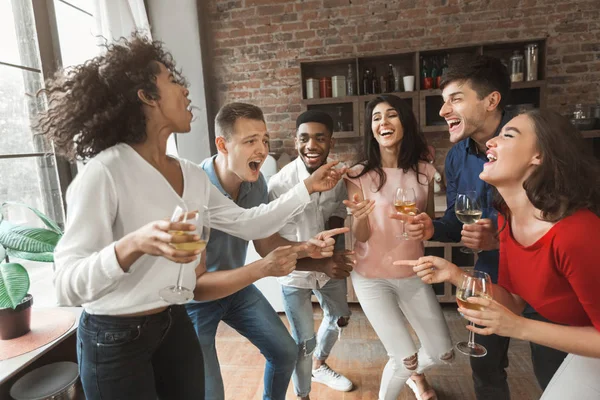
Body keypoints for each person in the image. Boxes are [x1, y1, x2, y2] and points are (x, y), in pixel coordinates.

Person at [38, 34, 343, 400]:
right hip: (113, 336)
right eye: (172, 81)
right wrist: (134, 244)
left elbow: (251, 223)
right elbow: (66, 284)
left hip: (171, 319)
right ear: (147, 96)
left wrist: (308, 187)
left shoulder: (191, 177)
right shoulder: (105, 172)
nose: (185, 91)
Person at [407, 109, 600, 400]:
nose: (491, 143)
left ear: (539, 156)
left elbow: (519, 319)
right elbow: (515, 302)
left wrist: (520, 328)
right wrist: (455, 275)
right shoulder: (507, 217)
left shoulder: (577, 232)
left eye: (507, 135)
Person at [403, 55, 567, 398]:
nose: (443, 110)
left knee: (555, 375)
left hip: (547, 283)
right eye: (443, 101)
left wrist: (501, 238)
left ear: (491, 100)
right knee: (485, 368)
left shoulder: (536, 142)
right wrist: (433, 229)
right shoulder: (456, 156)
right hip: (489, 278)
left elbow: (560, 224)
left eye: (455, 99)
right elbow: (456, 222)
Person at [185, 103, 349, 400]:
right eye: (250, 141)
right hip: (198, 299)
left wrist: (306, 249)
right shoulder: (195, 187)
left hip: (237, 291)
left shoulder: (257, 184)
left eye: (264, 140)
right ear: (222, 144)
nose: (261, 149)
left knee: (286, 352)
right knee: (210, 393)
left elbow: (264, 243)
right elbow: (197, 286)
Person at [343, 95, 453, 400]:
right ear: (371, 129)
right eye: (376, 118)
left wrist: (423, 224)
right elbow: (360, 236)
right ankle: (405, 371)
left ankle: (412, 374)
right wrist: (359, 219)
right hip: (371, 276)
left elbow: (428, 221)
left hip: (413, 271)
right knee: (405, 358)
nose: (383, 123)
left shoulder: (424, 172)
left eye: (391, 115)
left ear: (404, 122)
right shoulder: (357, 175)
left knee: (443, 352)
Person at [268, 110, 355, 400]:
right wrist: (322, 261)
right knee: (303, 341)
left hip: (328, 268)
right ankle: (303, 394)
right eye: (304, 138)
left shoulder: (337, 175)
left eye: (320, 138)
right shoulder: (279, 184)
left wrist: (334, 251)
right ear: (296, 142)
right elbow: (273, 241)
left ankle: (319, 364)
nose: (311, 145)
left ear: (330, 141)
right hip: (295, 273)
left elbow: (337, 214)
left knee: (341, 316)